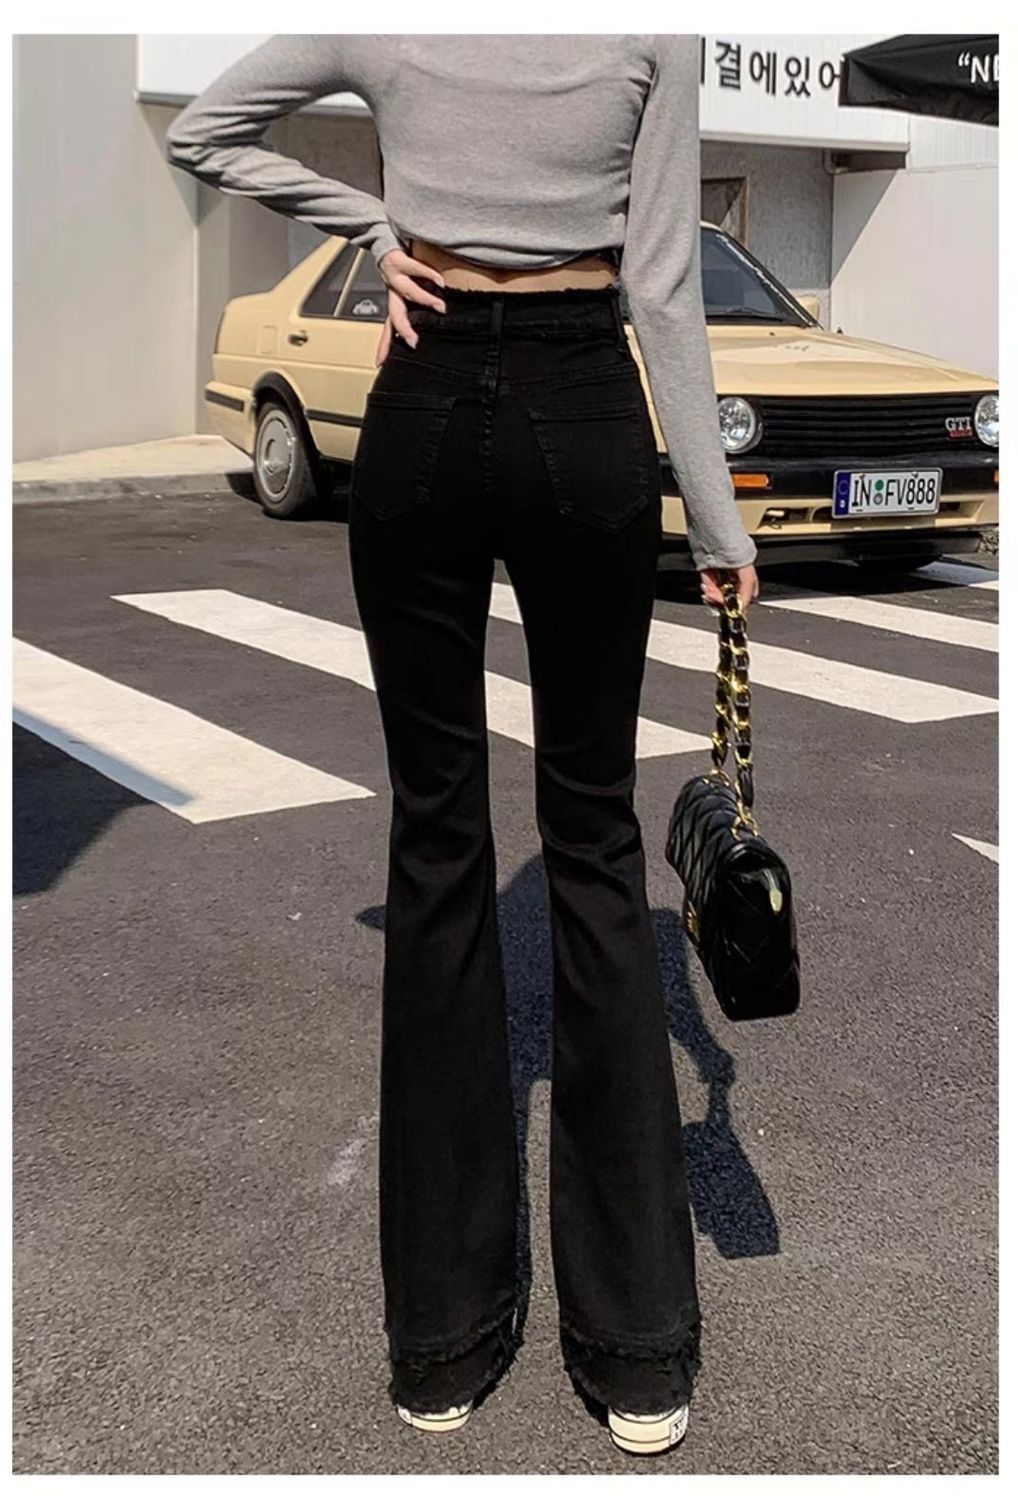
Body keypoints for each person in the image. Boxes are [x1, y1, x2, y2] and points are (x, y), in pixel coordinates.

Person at [166, 34, 760, 1458]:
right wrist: (716, 517)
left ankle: (439, 1342)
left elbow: (204, 130)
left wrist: (378, 230)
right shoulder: (653, 30)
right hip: (582, 404)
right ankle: (635, 1352)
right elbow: (662, 284)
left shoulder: (389, 19)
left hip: (422, 401)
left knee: (436, 846)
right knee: (595, 848)